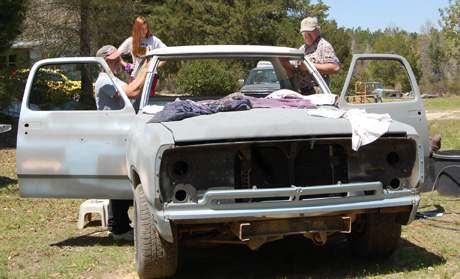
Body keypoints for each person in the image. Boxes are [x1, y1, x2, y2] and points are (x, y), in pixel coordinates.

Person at [95, 45, 152, 240]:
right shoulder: (104, 81)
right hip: (111, 136)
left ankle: (118, 225)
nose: (118, 62)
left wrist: (145, 66)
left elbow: (134, 86)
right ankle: (118, 227)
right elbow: (133, 92)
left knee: (121, 178)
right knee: (120, 179)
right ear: (103, 62)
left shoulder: (112, 78)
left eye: (118, 58)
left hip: (118, 134)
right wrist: (148, 66)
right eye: (113, 59)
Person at [281, 17, 341, 95]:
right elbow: (295, 72)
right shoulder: (302, 49)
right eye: (304, 33)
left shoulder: (324, 46)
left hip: (317, 92)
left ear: (317, 30)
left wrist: (310, 66)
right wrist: (284, 63)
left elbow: (335, 68)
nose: (307, 35)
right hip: (301, 91)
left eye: (310, 32)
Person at [118, 16, 166, 95]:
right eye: (142, 29)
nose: (144, 31)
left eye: (146, 28)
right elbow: (117, 54)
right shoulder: (131, 40)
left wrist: (159, 64)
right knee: (133, 98)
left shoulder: (153, 40)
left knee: (148, 100)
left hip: (150, 75)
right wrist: (127, 65)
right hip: (136, 75)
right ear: (137, 29)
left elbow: (166, 51)